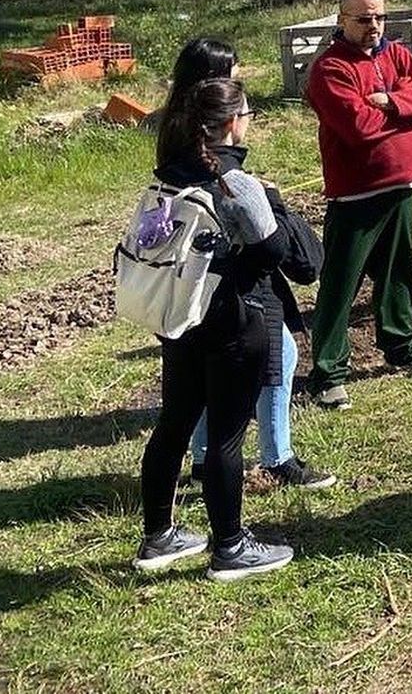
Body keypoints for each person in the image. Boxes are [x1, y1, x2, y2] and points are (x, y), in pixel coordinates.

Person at [133, 77, 296, 581]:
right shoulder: (237, 182)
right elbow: (275, 252)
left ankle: (159, 535)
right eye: (247, 113)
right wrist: (274, 207)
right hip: (234, 319)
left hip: (180, 318)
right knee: (226, 438)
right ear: (232, 123)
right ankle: (230, 545)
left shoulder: (166, 176)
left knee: (174, 425)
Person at [161, 39, 335, 489]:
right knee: (278, 355)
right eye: (234, 73)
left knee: (203, 374)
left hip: (192, 277)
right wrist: (263, 200)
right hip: (232, 279)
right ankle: (275, 458)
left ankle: (202, 462)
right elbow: (273, 250)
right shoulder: (222, 165)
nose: (241, 75)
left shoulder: (178, 127)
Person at [304, 0, 412, 411]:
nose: (374, 26)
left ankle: (403, 347)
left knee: (398, 271)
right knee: (340, 283)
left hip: (403, 184)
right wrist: (405, 115)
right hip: (356, 194)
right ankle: (328, 373)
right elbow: (357, 129)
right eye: (364, 19)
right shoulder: (330, 69)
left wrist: (389, 102)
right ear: (342, 20)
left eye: (380, 18)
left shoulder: (398, 54)